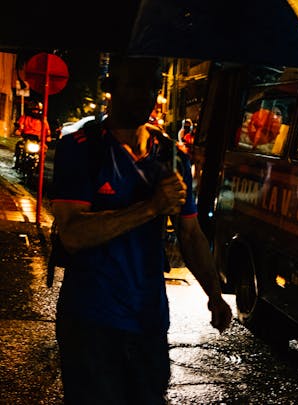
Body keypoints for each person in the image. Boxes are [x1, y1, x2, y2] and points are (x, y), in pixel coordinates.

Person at [50, 55, 233, 405]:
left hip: (149, 319)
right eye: (135, 83)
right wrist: (150, 207)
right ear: (110, 88)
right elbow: (72, 234)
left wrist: (214, 293)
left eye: (153, 84)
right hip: (91, 320)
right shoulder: (81, 150)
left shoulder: (172, 157)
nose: (146, 94)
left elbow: (191, 235)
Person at [13, 100, 51, 168]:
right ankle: (17, 163)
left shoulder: (43, 120)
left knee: (44, 149)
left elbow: (47, 129)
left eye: (36, 110)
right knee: (19, 145)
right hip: (27, 137)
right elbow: (20, 124)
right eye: (33, 109)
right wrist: (18, 130)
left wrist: (48, 136)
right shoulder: (25, 117)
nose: (35, 111)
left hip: (37, 139)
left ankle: (40, 165)